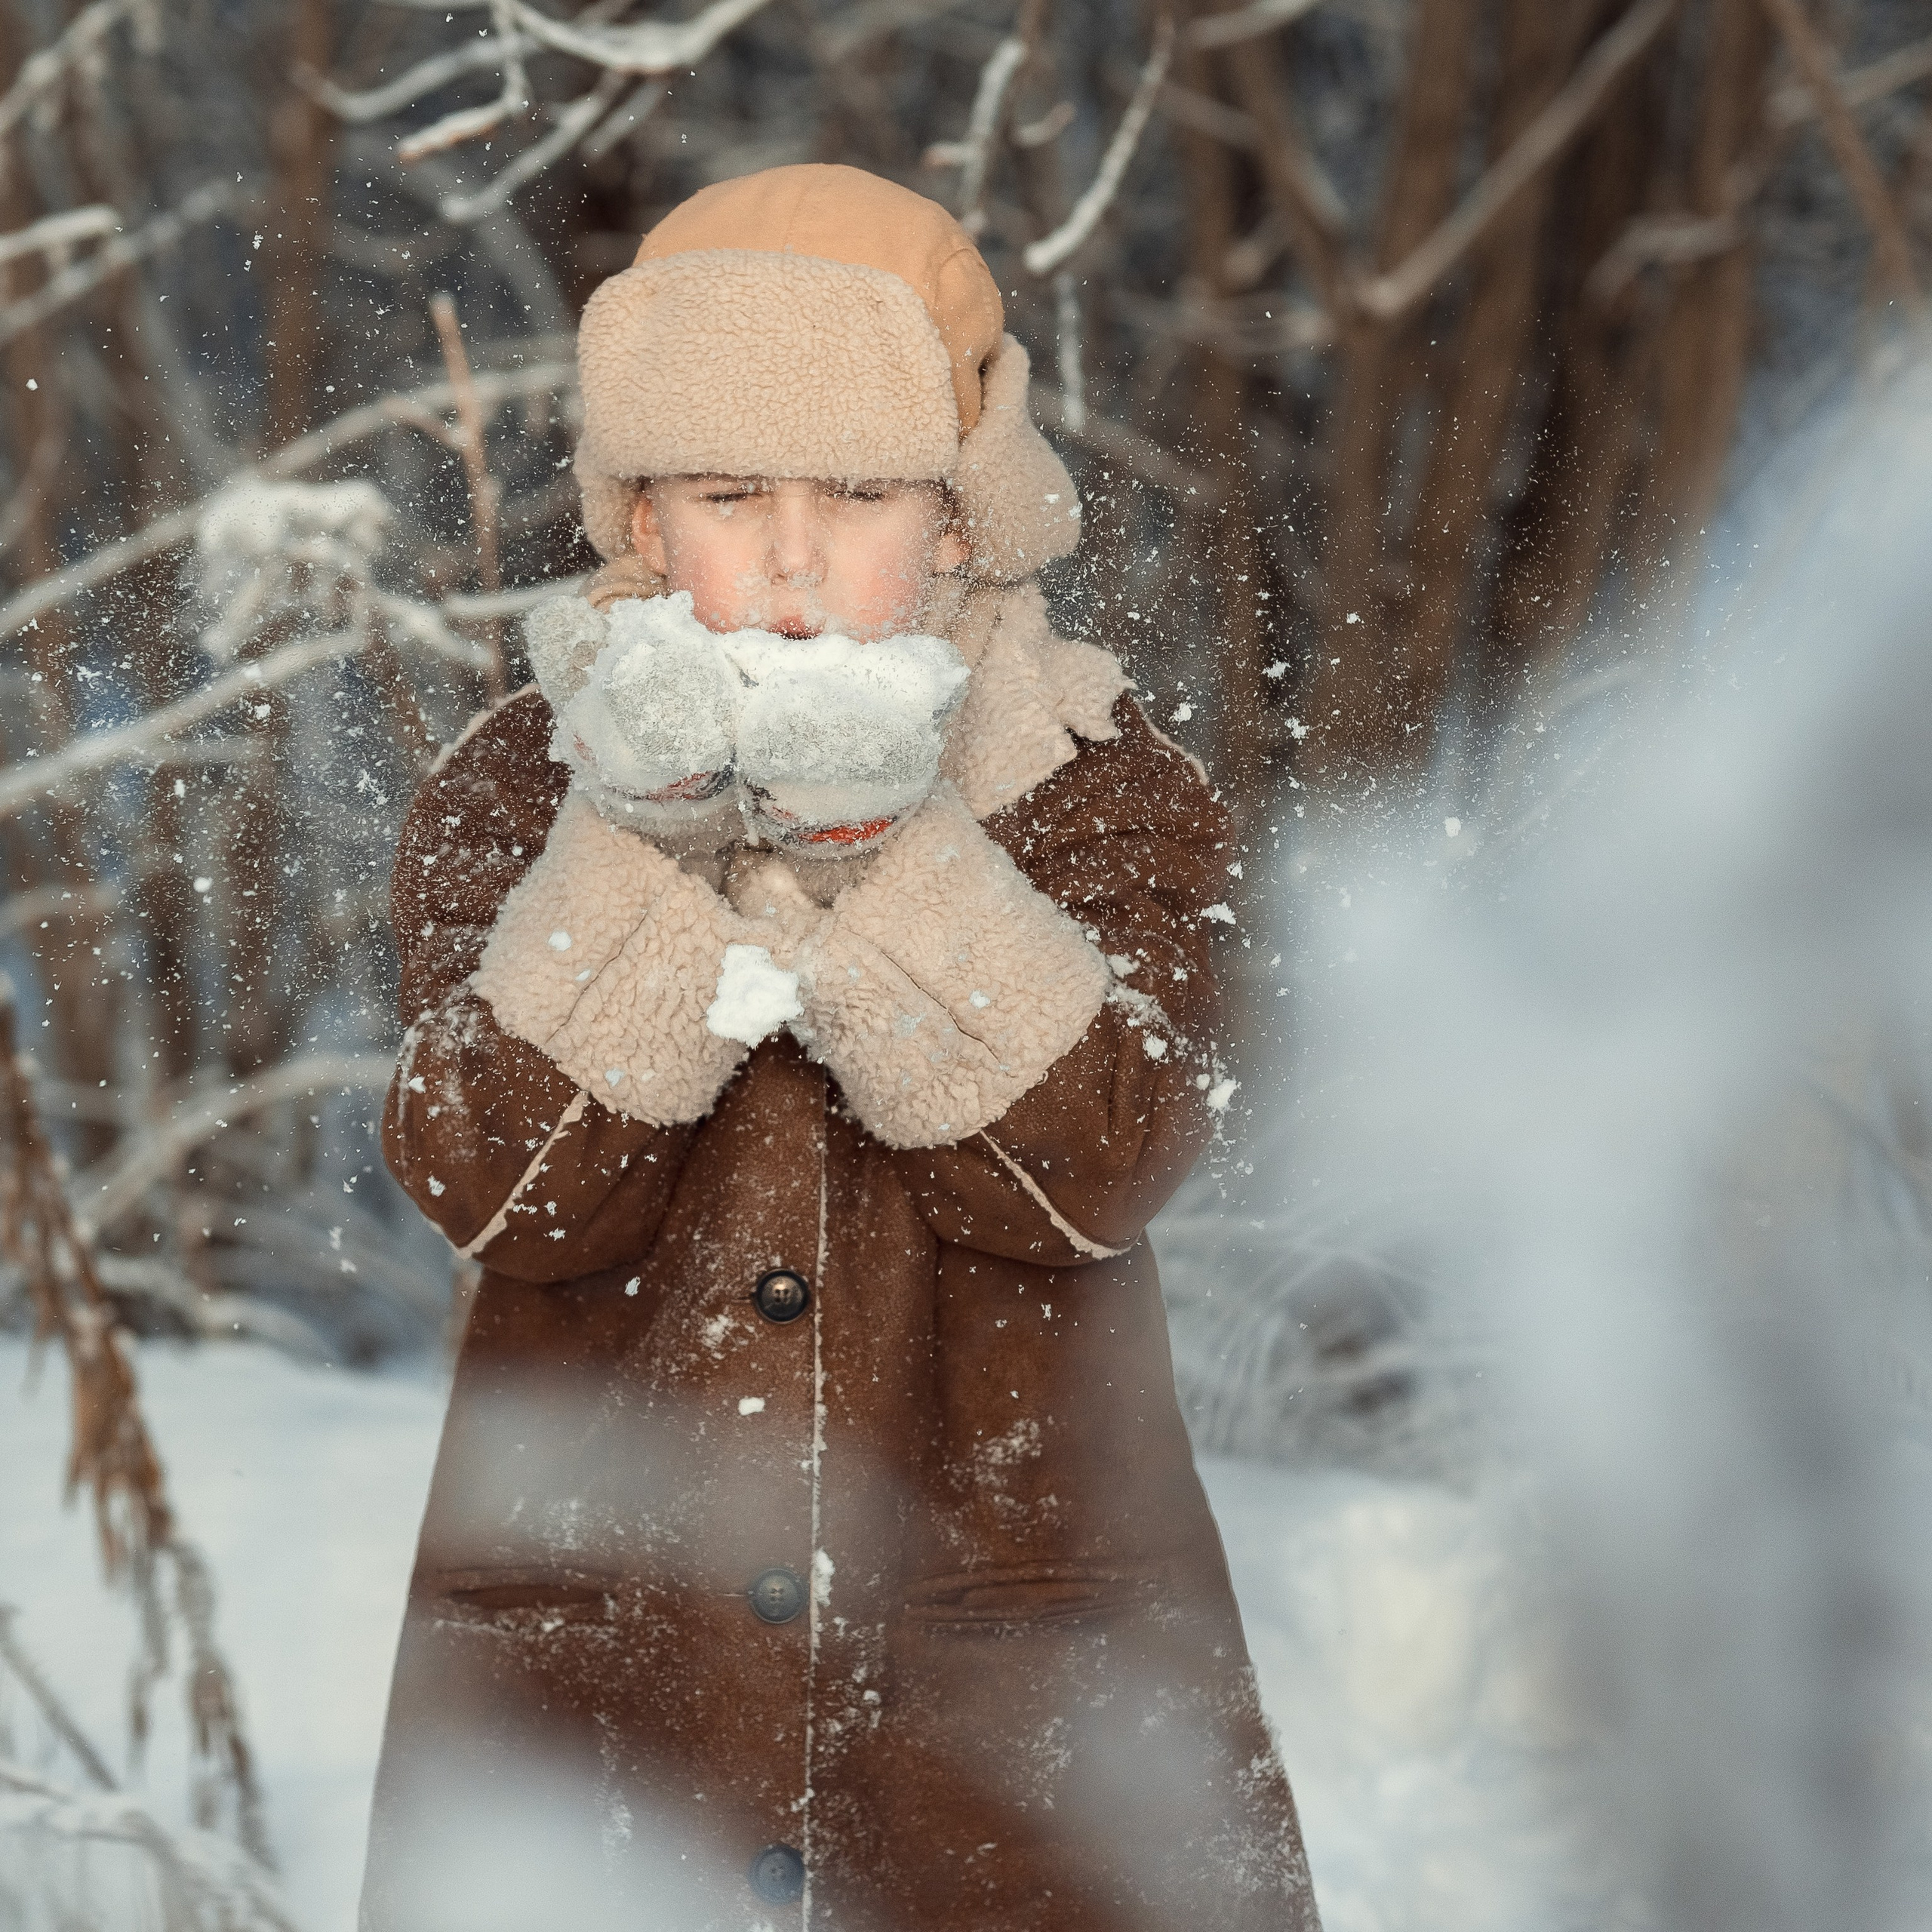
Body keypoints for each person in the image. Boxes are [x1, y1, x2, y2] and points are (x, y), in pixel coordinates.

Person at [363, 162, 1319, 1932]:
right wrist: (640, 843)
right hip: (601, 1716)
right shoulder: (518, 785)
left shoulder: (1096, 784)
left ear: (957, 518)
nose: (793, 554)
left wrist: (884, 859)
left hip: (1005, 1727)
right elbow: (503, 1186)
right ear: (645, 527)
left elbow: (1099, 1163)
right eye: (729, 493)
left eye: (861, 491)